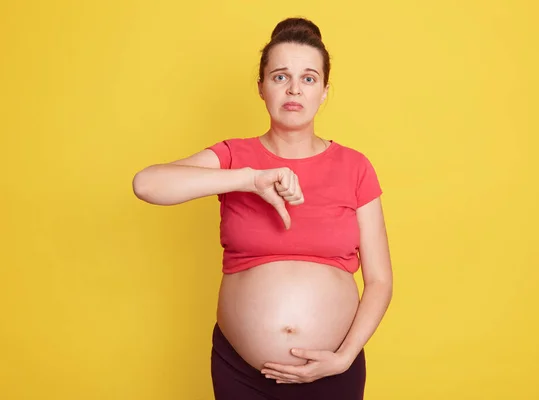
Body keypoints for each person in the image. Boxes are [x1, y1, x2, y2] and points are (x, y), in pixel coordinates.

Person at [132, 16, 393, 400]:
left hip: (333, 368)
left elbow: (380, 281)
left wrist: (345, 357)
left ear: (323, 92)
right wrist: (247, 179)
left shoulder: (355, 166)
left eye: (308, 78)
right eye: (280, 76)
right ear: (261, 87)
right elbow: (147, 184)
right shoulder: (235, 156)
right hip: (241, 373)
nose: (294, 89)